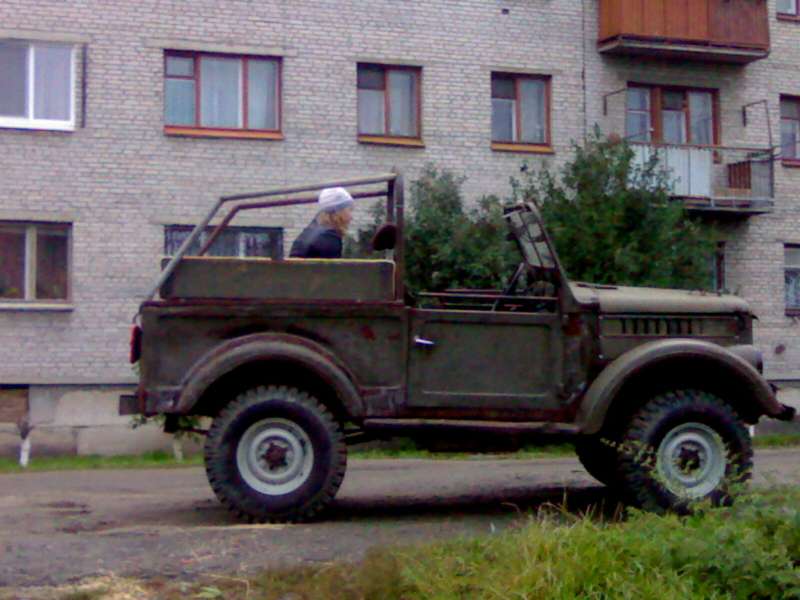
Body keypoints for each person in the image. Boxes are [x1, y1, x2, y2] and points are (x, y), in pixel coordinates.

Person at [289, 187, 354, 259]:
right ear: (337, 212)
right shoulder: (329, 239)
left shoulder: (307, 233)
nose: (351, 217)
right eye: (350, 210)